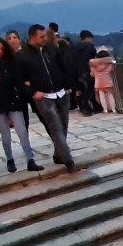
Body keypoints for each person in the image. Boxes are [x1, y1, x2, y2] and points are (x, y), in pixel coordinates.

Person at [18, 23, 77, 172]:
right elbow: (20, 79)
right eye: (41, 36)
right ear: (33, 37)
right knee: (55, 127)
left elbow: (64, 67)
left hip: (62, 92)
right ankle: (68, 159)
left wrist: (70, 85)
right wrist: (32, 92)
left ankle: (59, 154)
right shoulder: (22, 55)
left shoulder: (52, 48)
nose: (45, 38)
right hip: (43, 96)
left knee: (63, 126)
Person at [0, 37, 43, 172]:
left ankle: (30, 159)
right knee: (5, 135)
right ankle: (10, 160)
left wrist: (29, 91)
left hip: (13, 100)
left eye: (2, 49)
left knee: (22, 131)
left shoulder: (11, 62)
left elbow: (19, 80)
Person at [71, 30, 101, 115]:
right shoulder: (90, 47)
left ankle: (87, 107)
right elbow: (94, 59)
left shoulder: (75, 48)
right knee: (90, 90)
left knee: (81, 90)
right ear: (88, 37)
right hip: (88, 71)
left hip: (77, 72)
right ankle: (87, 107)